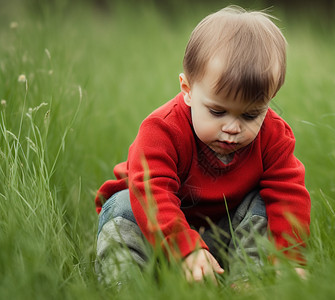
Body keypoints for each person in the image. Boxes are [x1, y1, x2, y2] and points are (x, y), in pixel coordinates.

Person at [94, 5, 311, 285]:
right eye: (218, 112)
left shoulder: (274, 136)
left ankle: (249, 280)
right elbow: (152, 191)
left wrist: (289, 256)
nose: (232, 128)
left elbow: (288, 196)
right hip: (156, 227)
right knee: (123, 205)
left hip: (222, 235)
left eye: (250, 114)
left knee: (264, 204)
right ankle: (127, 284)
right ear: (187, 90)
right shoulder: (162, 129)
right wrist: (184, 245)